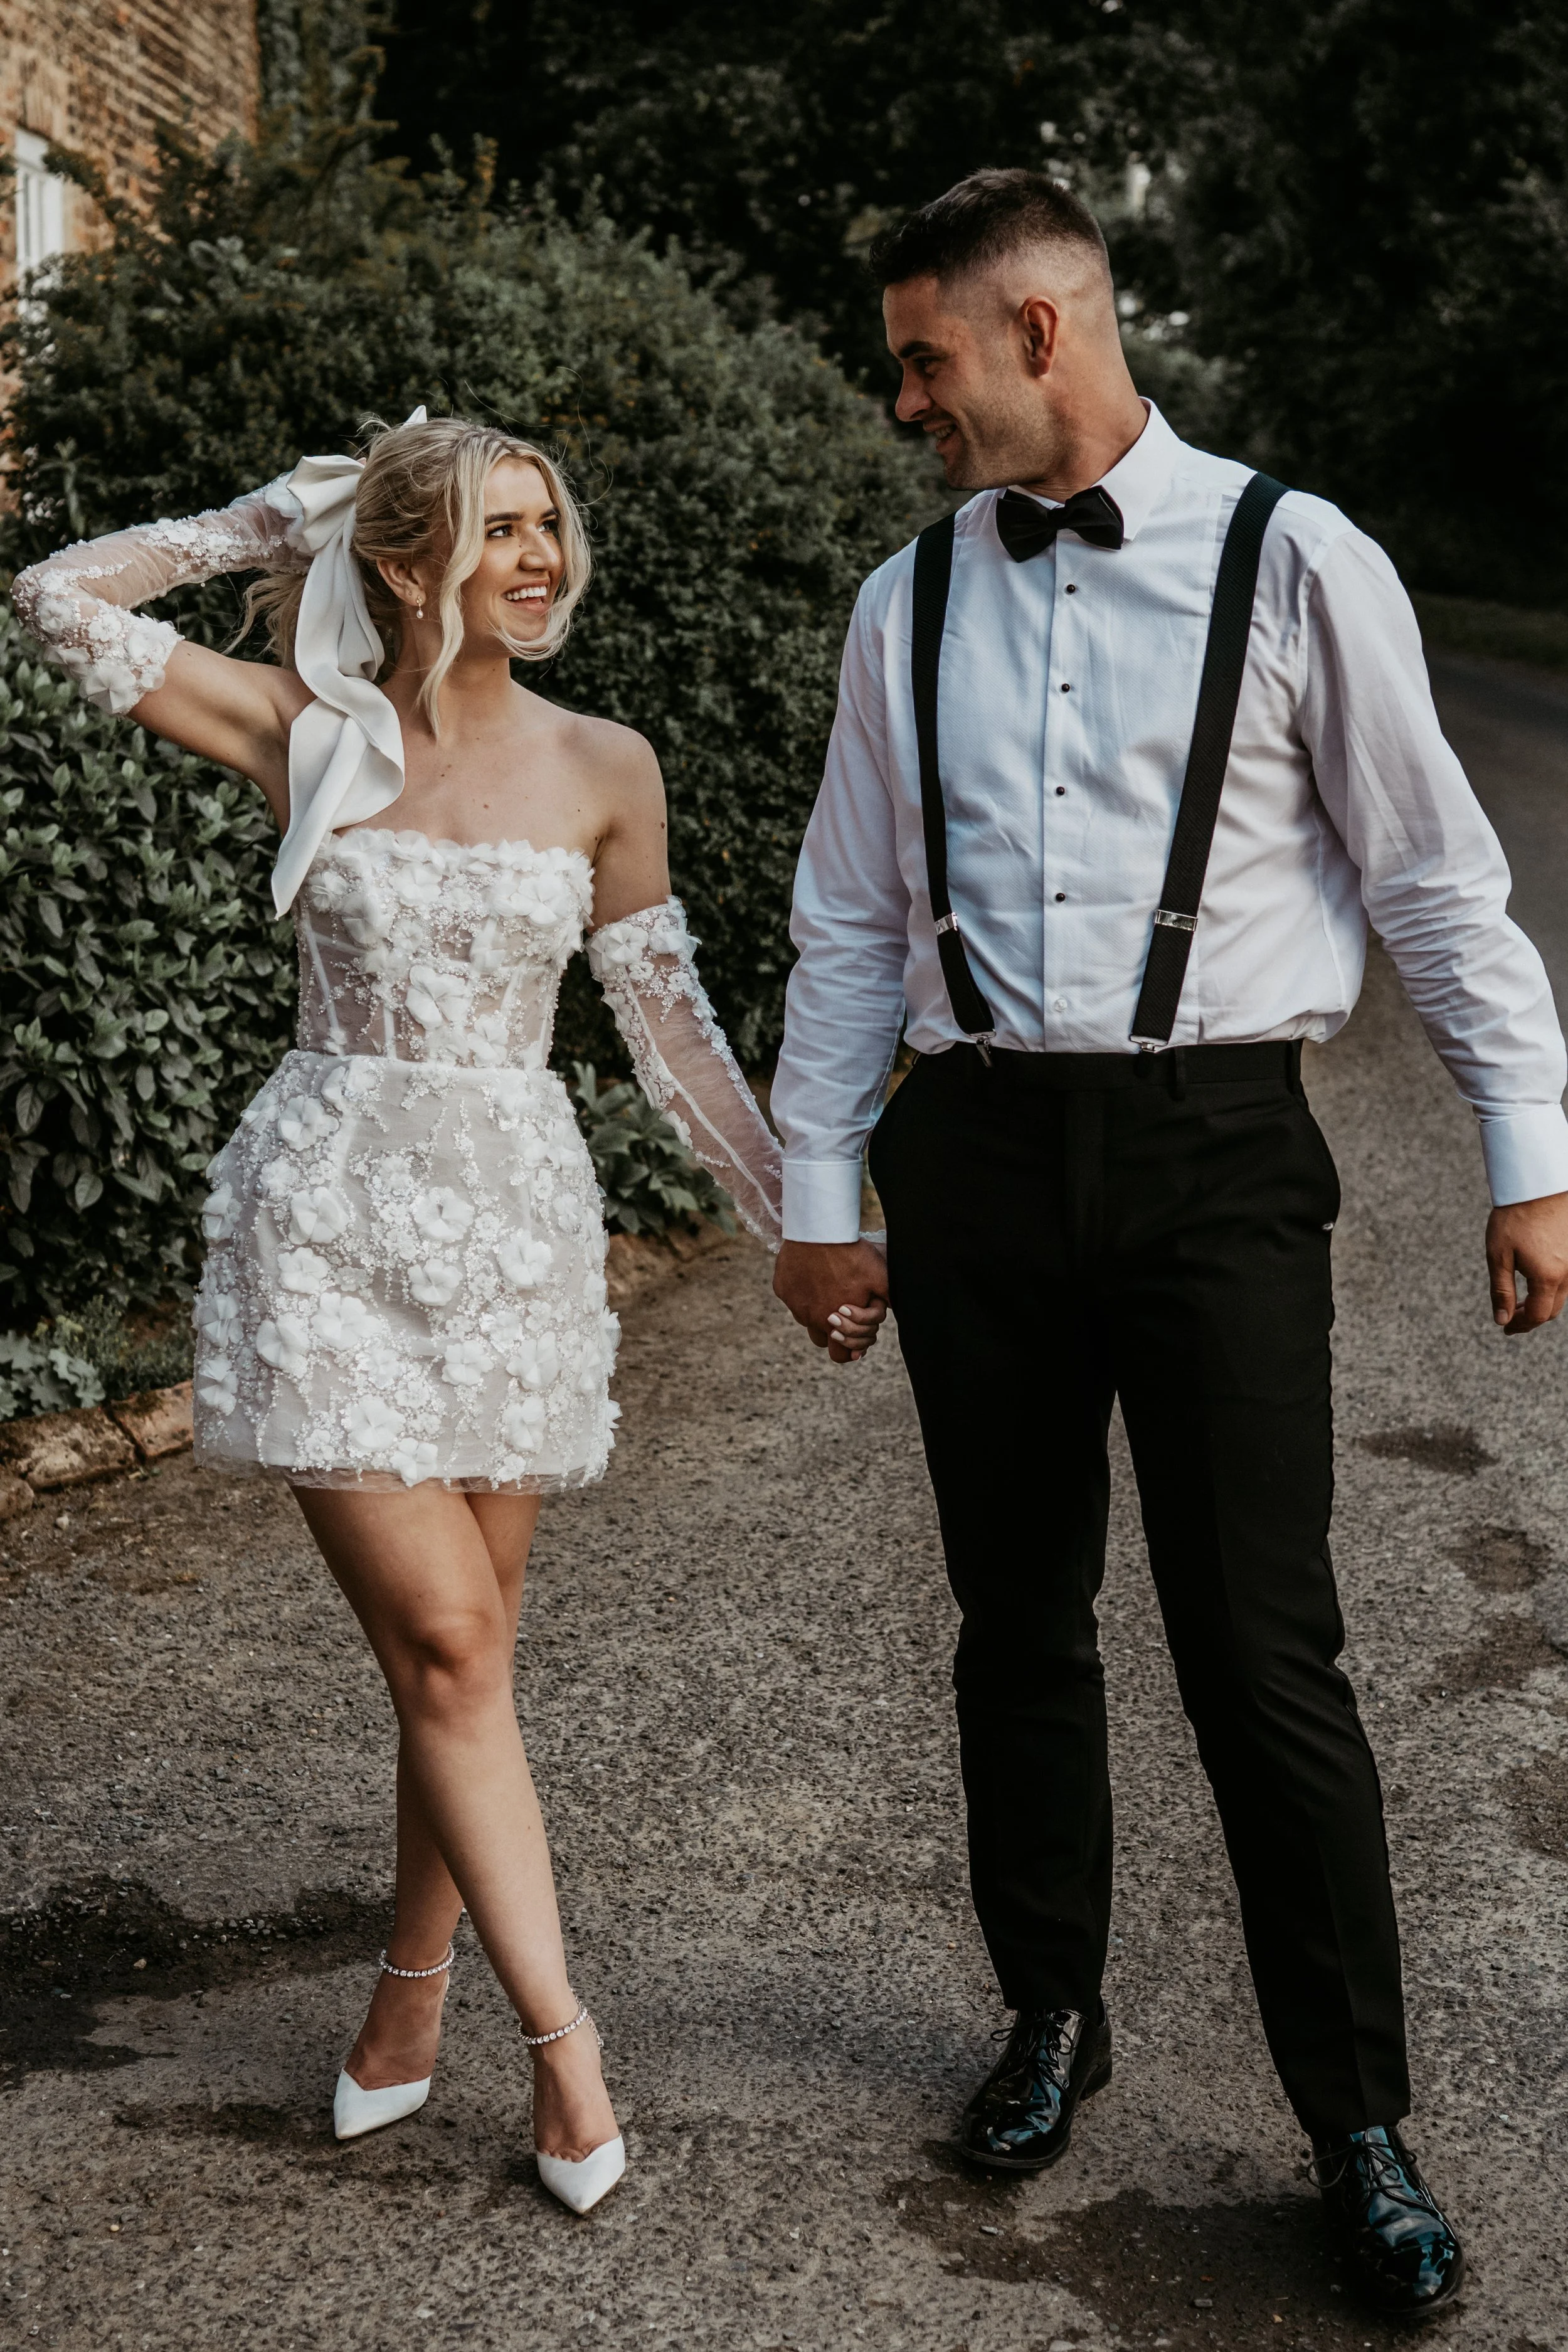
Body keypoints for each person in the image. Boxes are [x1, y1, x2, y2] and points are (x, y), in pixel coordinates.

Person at [770, 169, 1568, 2318]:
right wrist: (824, 1198)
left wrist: (1527, 1143)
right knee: (1013, 1619)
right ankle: (1049, 2010)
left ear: (1042, 333)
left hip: (1221, 1150)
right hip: (982, 1161)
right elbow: (846, 922)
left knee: (1258, 1647)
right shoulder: (898, 604)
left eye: (922, 362)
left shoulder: (1296, 558)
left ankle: (1357, 2118)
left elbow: (1430, 875)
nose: (904, 405)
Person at [13, 410, 882, 2215]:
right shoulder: (304, 728)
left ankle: (409, 1997)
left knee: (459, 1658)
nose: (544, 554)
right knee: (453, 1652)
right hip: (325, 1221)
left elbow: (668, 1033)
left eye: (552, 521)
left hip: (510, 1244)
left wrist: (804, 1221)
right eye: (500, 527)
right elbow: (53, 595)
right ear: (410, 562)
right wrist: (264, 519)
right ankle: (567, 2059)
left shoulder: (605, 765)